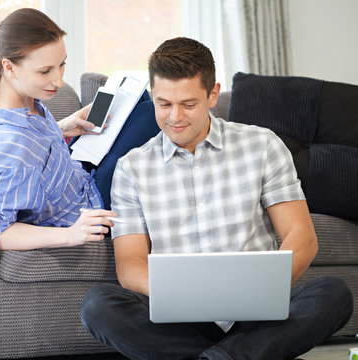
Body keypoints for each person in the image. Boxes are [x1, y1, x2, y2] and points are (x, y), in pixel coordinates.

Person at [80, 37, 353, 360]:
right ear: (153, 96)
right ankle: (233, 356)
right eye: (164, 104)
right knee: (98, 305)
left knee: (334, 294)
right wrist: (188, 294)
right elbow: (131, 266)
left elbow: (302, 237)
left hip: (255, 314)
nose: (175, 117)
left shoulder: (262, 145)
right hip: (181, 318)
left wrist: (260, 289)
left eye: (189, 104)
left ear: (212, 94)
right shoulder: (132, 168)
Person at [0, 8, 159, 250]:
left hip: (79, 174)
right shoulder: (9, 147)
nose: (59, 81)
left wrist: (63, 126)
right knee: (151, 113)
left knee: (134, 96)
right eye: (45, 71)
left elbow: (35, 147)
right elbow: (2, 232)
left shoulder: (23, 100)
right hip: (89, 207)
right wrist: (72, 234)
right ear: (9, 68)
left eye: (61, 65)